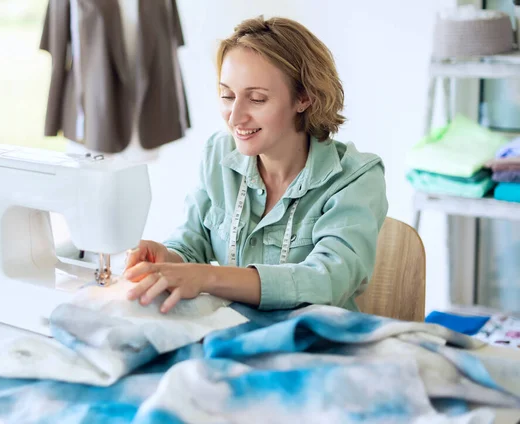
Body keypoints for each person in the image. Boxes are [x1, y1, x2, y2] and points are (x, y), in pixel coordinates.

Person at [123, 16, 388, 314]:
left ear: (304, 97)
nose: (235, 117)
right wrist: (167, 258)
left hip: (314, 347)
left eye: (257, 99)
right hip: (233, 337)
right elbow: (191, 244)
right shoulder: (219, 155)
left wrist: (208, 277)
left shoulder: (356, 178)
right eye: (227, 95)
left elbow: (327, 281)